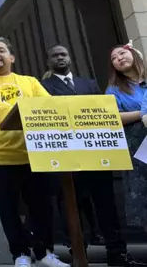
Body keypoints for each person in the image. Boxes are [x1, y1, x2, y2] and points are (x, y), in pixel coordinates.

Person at [0, 37, 67, 267]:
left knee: (40, 206)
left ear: (12, 57)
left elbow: (48, 107)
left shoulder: (29, 82)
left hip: (32, 154)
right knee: (8, 209)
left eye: (2, 50)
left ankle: (44, 253)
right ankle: (19, 253)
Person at [43, 45, 141, 267]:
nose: (60, 57)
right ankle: (78, 252)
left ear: (70, 58)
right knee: (71, 204)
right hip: (68, 156)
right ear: (49, 61)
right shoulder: (43, 87)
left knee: (106, 204)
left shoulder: (89, 84)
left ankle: (117, 252)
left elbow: (104, 113)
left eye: (63, 54)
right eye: (55, 55)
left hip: (96, 153)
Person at [106, 43, 147, 234]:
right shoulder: (114, 89)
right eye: (114, 58)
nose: (119, 58)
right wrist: (143, 114)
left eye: (122, 53)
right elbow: (113, 118)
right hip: (139, 149)